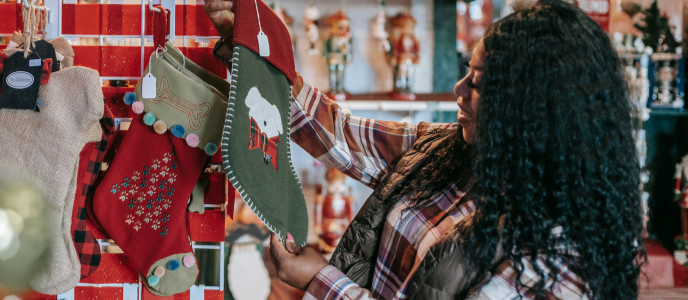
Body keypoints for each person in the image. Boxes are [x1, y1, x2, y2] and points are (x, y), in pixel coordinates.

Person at [205, 0, 644, 299]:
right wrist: (254, 45)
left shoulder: (558, 259)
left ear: (539, 107)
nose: (458, 90)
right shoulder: (450, 151)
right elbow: (340, 134)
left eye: (479, 84)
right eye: (466, 73)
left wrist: (322, 281)